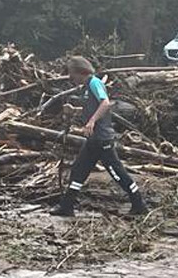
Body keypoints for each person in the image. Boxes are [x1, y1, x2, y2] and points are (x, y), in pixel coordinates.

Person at [50, 56, 148, 217]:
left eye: (71, 73)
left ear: (80, 71)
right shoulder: (86, 88)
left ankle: (139, 204)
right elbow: (92, 108)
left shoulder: (95, 83)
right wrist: (73, 111)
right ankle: (67, 206)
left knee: (117, 173)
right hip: (92, 140)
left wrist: (91, 122)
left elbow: (105, 103)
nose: (70, 77)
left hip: (102, 139)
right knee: (78, 171)